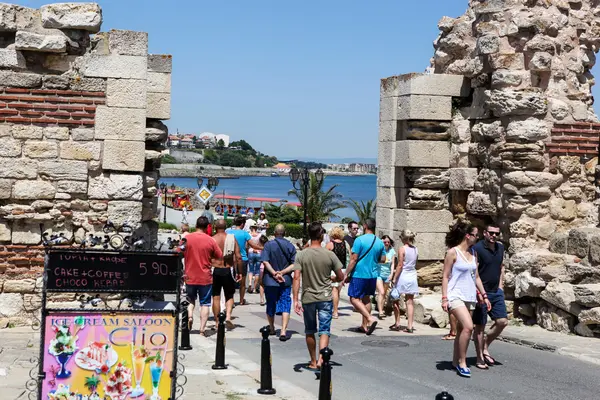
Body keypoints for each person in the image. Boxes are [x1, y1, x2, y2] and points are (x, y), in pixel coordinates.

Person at [290, 222, 344, 371]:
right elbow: (341, 275)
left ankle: (313, 361)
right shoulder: (330, 254)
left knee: (309, 330)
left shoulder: (301, 255)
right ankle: (322, 359)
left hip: (308, 297)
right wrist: (333, 279)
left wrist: (295, 300)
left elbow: (296, 278)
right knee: (324, 330)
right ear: (321, 236)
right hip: (326, 297)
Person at [441, 221, 491, 378]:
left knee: (463, 330)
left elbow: (476, 277)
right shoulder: (453, 252)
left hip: (469, 296)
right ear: (467, 236)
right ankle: (463, 363)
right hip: (455, 295)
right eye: (476, 235)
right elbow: (445, 276)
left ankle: (455, 360)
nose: (477, 238)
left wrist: (484, 295)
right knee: (469, 327)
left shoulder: (473, 254)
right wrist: (444, 298)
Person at [472, 225, 507, 370]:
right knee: (480, 326)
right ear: (485, 233)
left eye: (496, 233)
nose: (493, 235)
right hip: (481, 292)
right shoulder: (477, 249)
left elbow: (501, 267)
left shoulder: (500, 248)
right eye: (491, 233)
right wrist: (479, 292)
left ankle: (485, 344)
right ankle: (480, 356)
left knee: (502, 321)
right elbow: (474, 272)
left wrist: (501, 286)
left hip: (496, 291)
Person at [182, 216, 223, 336]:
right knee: (205, 303)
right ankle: (202, 329)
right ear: (207, 227)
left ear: (196, 226)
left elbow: (178, 251)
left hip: (189, 275)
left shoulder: (187, 238)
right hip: (205, 277)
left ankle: (189, 315)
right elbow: (219, 255)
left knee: (190, 299)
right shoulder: (210, 240)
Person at [345, 218, 386, 335]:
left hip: (359, 274)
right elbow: (383, 259)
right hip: (372, 275)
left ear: (365, 226)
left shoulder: (359, 240)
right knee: (366, 299)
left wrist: (346, 274)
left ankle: (369, 318)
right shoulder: (379, 241)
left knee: (354, 298)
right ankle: (364, 326)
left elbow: (353, 259)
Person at [261, 224, 296, 341]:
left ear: (275, 233)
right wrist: (282, 272)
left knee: (270, 303)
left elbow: (265, 262)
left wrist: (274, 273)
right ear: (284, 233)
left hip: (270, 281)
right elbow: (294, 264)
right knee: (285, 304)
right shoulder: (290, 246)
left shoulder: (268, 245)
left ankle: (271, 327)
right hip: (285, 280)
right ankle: (283, 330)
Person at [211, 219, 242, 330]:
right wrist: (240, 272)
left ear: (215, 227)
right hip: (228, 269)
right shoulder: (231, 238)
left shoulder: (212, 239)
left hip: (215, 269)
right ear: (226, 227)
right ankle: (228, 316)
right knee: (229, 295)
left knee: (216, 296)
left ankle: (217, 322)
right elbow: (238, 257)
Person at [226, 216, 263, 305]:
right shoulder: (245, 234)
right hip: (242, 258)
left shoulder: (228, 232)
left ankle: (230, 300)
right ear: (242, 224)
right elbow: (253, 245)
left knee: (230, 281)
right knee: (242, 281)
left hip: (231, 258)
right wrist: (263, 247)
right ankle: (242, 300)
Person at [391, 230, 418, 332]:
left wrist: (394, 278)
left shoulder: (402, 249)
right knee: (410, 301)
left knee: (395, 298)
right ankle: (410, 326)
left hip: (403, 276)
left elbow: (400, 265)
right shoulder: (416, 249)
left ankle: (397, 322)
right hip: (412, 276)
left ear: (403, 238)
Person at [325, 226, 348, 319]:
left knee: (333, 290)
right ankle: (335, 309)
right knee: (337, 291)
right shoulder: (345, 244)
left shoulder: (330, 244)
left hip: (333, 269)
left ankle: (335, 311)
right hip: (342, 269)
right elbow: (349, 256)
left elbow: (324, 257)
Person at [375, 235, 396, 320]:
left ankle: (381, 309)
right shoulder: (378, 250)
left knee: (384, 294)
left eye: (388, 242)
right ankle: (380, 312)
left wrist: (391, 274)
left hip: (387, 274)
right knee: (382, 292)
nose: (386, 243)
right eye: (385, 242)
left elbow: (393, 264)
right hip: (378, 273)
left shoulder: (392, 251)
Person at [248, 225, 263, 295]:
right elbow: (261, 244)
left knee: (251, 269)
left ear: (251, 228)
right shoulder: (260, 235)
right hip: (258, 252)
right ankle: (254, 288)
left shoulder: (249, 235)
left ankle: (250, 283)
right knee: (257, 270)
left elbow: (247, 244)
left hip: (251, 252)